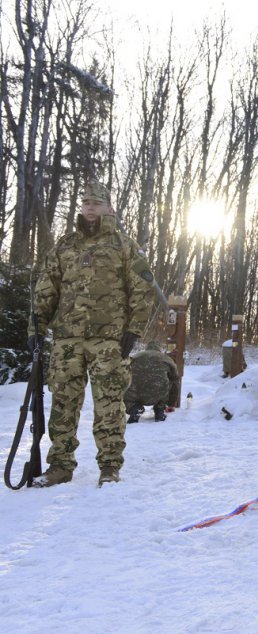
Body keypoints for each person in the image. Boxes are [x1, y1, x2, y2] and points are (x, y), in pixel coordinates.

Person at [28, 181, 155, 487]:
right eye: (85, 201)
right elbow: (47, 287)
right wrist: (36, 327)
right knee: (63, 402)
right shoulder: (66, 245)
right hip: (67, 339)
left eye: (96, 202)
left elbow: (142, 289)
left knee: (109, 403)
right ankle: (60, 465)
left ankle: (109, 465)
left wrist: (134, 330)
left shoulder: (123, 245)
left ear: (109, 208)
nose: (89, 206)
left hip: (108, 340)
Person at [125, 341, 180, 423]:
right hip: (158, 394)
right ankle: (160, 409)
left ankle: (134, 408)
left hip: (135, 393)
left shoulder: (136, 356)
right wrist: (172, 403)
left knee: (127, 389)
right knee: (172, 381)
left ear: (147, 347)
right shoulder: (166, 358)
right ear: (159, 349)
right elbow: (175, 380)